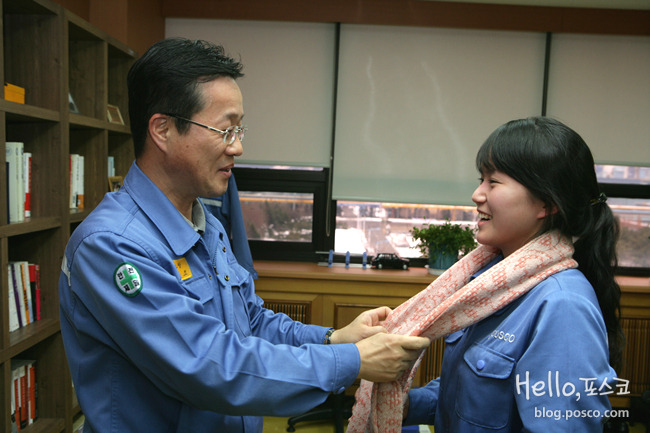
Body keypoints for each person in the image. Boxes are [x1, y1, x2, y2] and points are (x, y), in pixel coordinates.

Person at [58, 37, 430, 433]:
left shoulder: (205, 223)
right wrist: (353, 361)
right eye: (225, 130)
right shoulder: (113, 246)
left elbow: (249, 321)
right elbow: (207, 365)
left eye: (240, 129)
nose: (238, 147)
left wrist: (334, 339)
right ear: (163, 130)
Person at [401, 116, 624, 432]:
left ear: (545, 203)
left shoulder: (562, 305)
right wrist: (410, 405)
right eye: (481, 179)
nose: (477, 195)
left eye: (493, 182)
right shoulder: (489, 282)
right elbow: (473, 399)